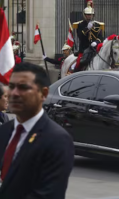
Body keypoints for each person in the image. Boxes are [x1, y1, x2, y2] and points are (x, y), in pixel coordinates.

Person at [0, 62, 74, 199]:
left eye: (23, 87)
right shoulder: (4, 131)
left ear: (43, 93)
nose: (14, 93)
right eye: (11, 87)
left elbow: (48, 194)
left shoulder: (57, 140)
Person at [73, 0, 104, 72]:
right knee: (78, 64)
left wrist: (96, 42)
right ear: (84, 15)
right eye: (87, 15)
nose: (89, 16)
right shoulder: (81, 25)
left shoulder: (97, 25)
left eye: (90, 15)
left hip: (95, 49)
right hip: (84, 49)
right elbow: (80, 36)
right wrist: (87, 28)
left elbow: (100, 37)